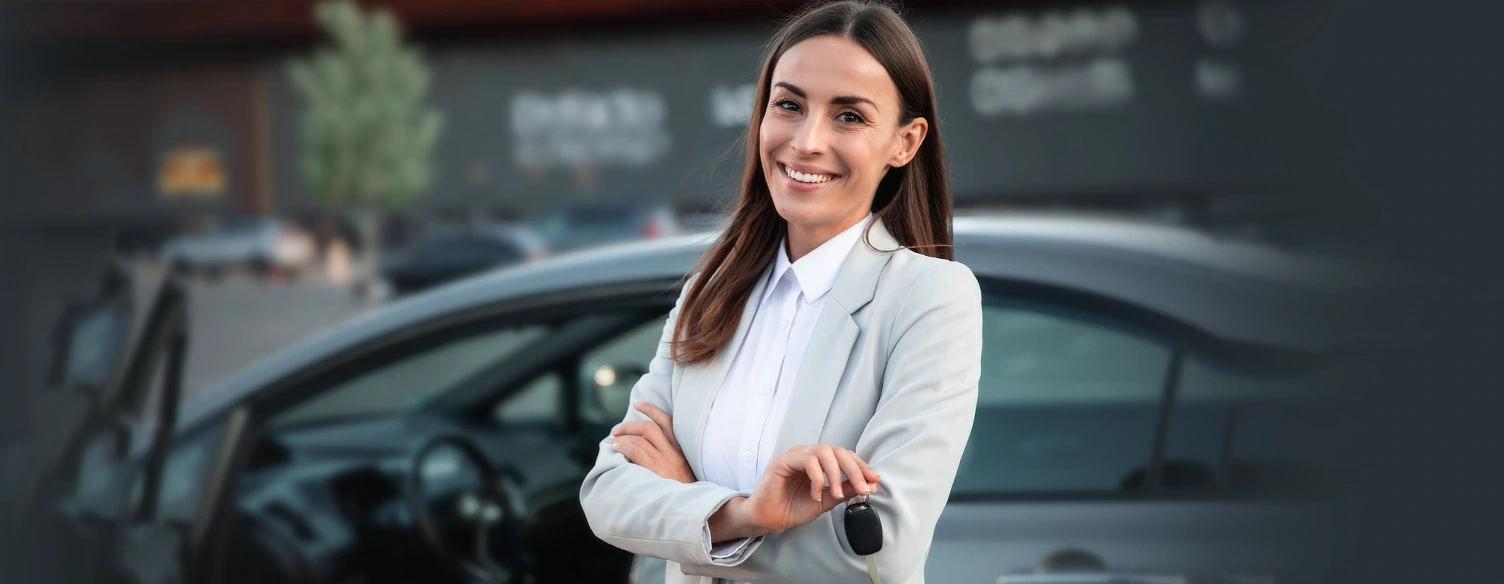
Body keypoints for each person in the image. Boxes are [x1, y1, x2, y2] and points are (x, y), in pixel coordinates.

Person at [578, 2, 982, 583]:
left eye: (849, 117)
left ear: (905, 142)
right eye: (789, 105)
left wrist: (691, 505)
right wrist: (743, 511)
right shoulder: (709, 294)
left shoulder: (929, 299)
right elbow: (607, 494)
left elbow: (879, 548)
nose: (807, 140)